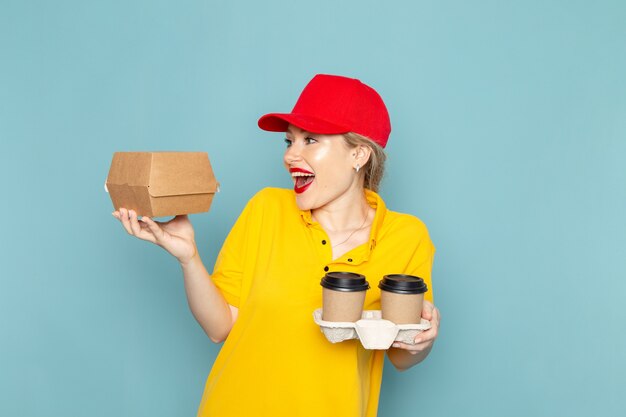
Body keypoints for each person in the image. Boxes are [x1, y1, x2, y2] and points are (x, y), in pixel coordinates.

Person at [112, 74, 440, 417]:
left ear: (358, 154)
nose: (290, 156)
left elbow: (402, 356)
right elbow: (219, 327)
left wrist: (423, 341)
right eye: (289, 142)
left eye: (310, 140)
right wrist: (189, 258)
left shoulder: (406, 236)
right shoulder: (265, 209)